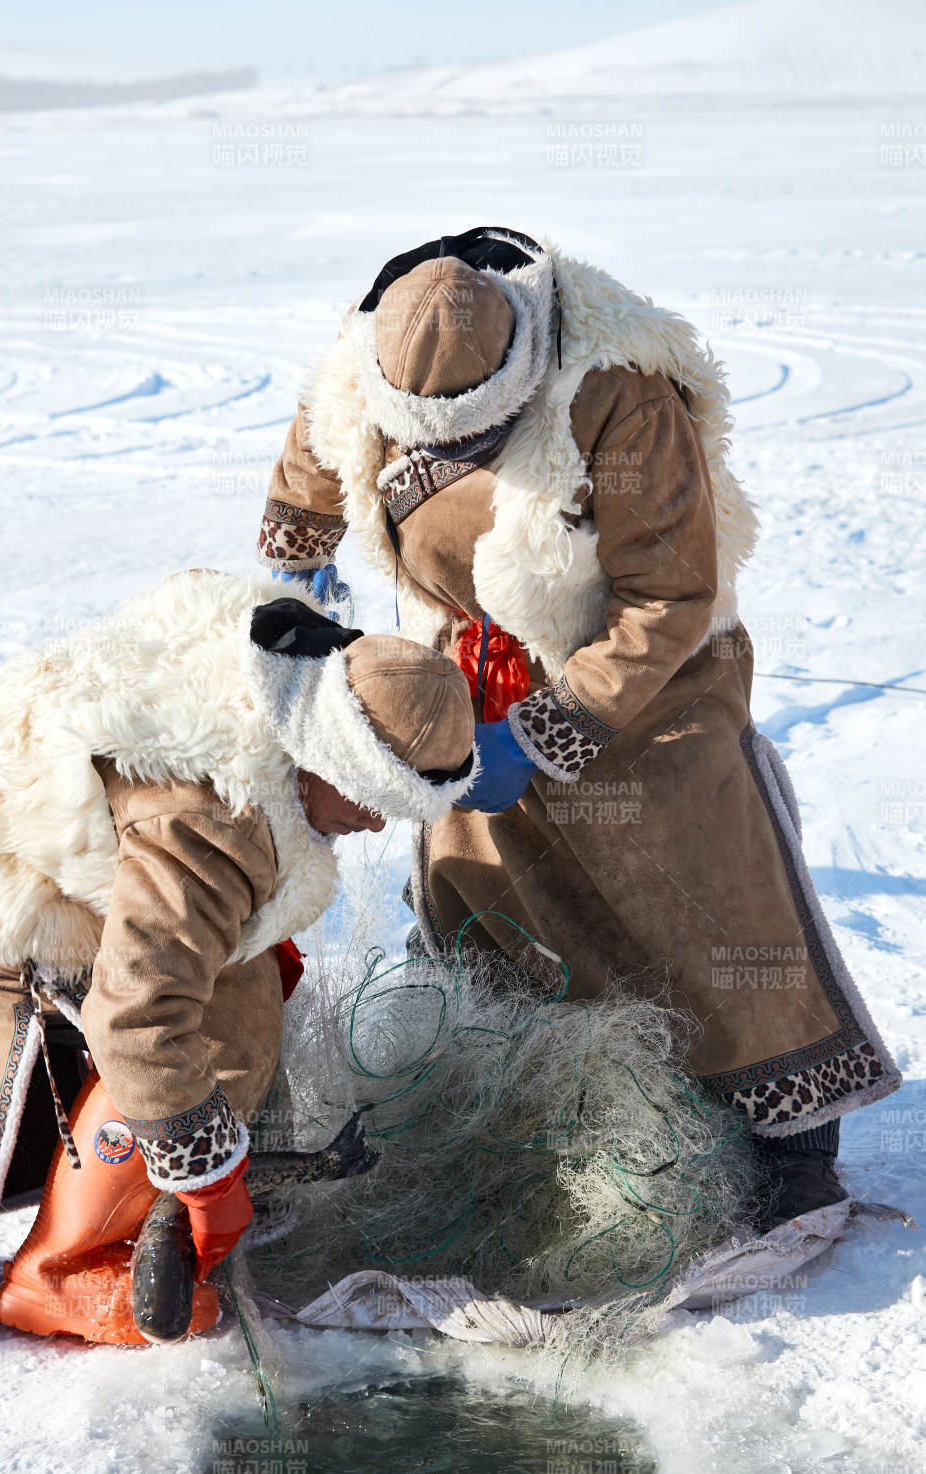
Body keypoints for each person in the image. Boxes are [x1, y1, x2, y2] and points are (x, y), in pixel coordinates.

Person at [256, 224, 901, 1225]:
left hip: (648, 667)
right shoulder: (365, 358)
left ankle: (790, 1138)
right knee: (485, 889)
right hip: (471, 656)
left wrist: (555, 732)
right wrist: (298, 551)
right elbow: (316, 446)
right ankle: (533, 1103)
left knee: (700, 885)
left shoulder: (615, 391)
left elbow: (665, 597)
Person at [0, 569, 476, 1345]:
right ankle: (56, 1273)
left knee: (239, 992)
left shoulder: (283, 657)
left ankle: (121, 1195)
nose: (375, 828)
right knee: (206, 1034)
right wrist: (209, 1178)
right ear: (328, 756)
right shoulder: (211, 822)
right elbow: (138, 1018)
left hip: (31, 824)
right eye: (373, 801)